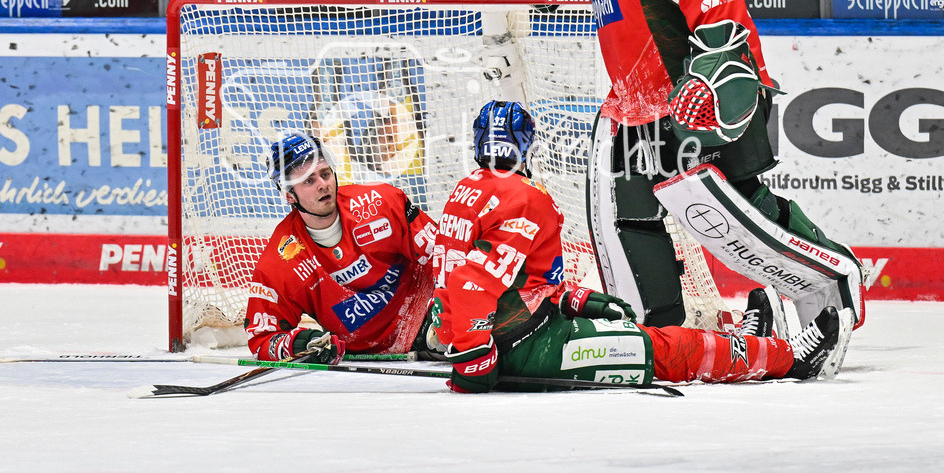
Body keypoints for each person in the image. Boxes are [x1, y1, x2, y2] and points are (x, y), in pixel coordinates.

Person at [512, 0, 866, 334]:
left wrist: (715, 65)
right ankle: (659, 333)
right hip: (640, 109)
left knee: (738, 210)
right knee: (627, 216)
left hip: (698, 98)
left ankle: (835, 281)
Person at [431, 100, 853, 393]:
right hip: (531, 348)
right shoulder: (525, 197)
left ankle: (750, 346)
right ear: (527, 144)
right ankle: (789, 359)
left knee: (649, 337)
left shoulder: (465, 190)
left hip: (519, 334)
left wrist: (576, 300)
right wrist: (474, 360)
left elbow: (497, 283)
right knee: (667, 350)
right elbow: (473, 282)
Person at [243, 133, 440, 363]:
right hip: (368, 346)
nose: (323, 184)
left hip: (429, 311)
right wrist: (303, 343)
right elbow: (262, 339)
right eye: (309, 181)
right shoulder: (281, 261)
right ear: (289, 195)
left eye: (325, 174)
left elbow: (444, 255)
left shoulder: (380, 202)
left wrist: (446, 304)